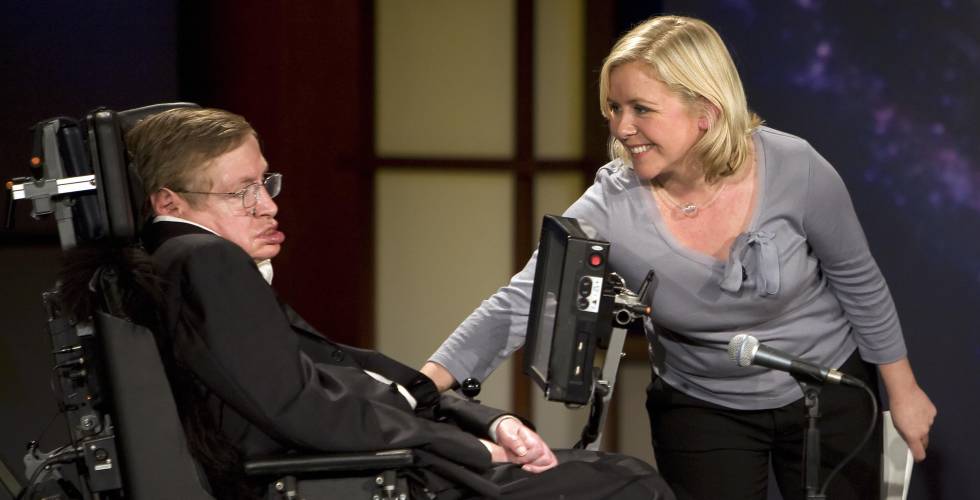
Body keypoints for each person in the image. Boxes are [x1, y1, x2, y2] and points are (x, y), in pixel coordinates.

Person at [422, 15, 937, 500]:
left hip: (827, 392)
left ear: (705, 114)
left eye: (641, 109)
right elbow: (522, 301)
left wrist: (904, 391)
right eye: (614, 109)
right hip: (704, 406)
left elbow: (857, 279)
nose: (622, 128)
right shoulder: (610, 206)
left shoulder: (795, 168)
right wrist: (418, 389)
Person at [125, 107, 674, 500]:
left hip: (365, 455)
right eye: (240, 191)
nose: (267, 205)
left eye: (264, 182)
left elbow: (341, 371)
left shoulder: (181, 263)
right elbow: (305, 410)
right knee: (628, 481)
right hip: (347, 474)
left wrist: (484, 421)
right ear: (169, 202)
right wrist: (472, 450)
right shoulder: (203, 261)